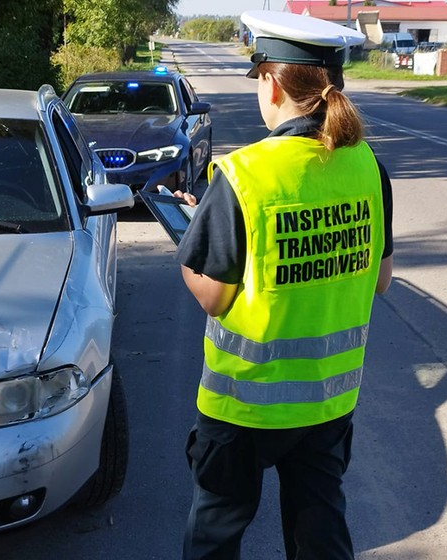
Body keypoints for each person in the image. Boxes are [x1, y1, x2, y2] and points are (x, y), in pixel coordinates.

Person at [173, 10, 394, 560]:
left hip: (244, 406)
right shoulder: (368, 166)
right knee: (320, 531)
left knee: (216, 534)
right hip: (327, 401)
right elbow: (381, 280)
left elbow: (216, 296)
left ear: (271, 82)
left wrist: (188, 248)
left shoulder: (244, 174)